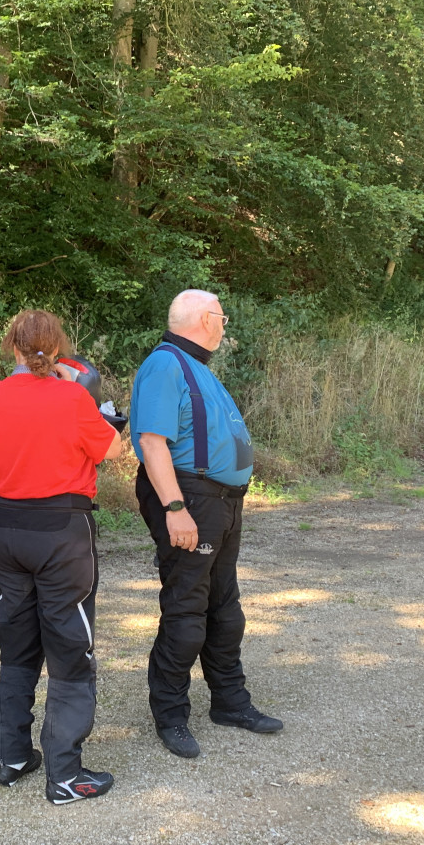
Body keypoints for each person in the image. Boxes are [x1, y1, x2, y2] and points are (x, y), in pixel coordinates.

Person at [0, 310, 123, 805]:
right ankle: (64, 775)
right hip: (60, 530)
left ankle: (13, 756)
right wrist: (75, 390)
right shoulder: (73, 397)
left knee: (17, 645)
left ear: (13, 347)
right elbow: (113, 450)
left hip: (5, 527)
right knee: (69, 648)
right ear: (58, 349)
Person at [130, 289, 282, 760]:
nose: (225, 324)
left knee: (224, 608)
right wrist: (176, 508)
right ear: (205, 319)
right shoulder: (166, 364)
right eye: (223, 316)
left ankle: (230, 702)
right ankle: (171, 715)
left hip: (221, 504)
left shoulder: (195, 366)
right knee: (186, 610)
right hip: (191, 501)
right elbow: (152, 442)